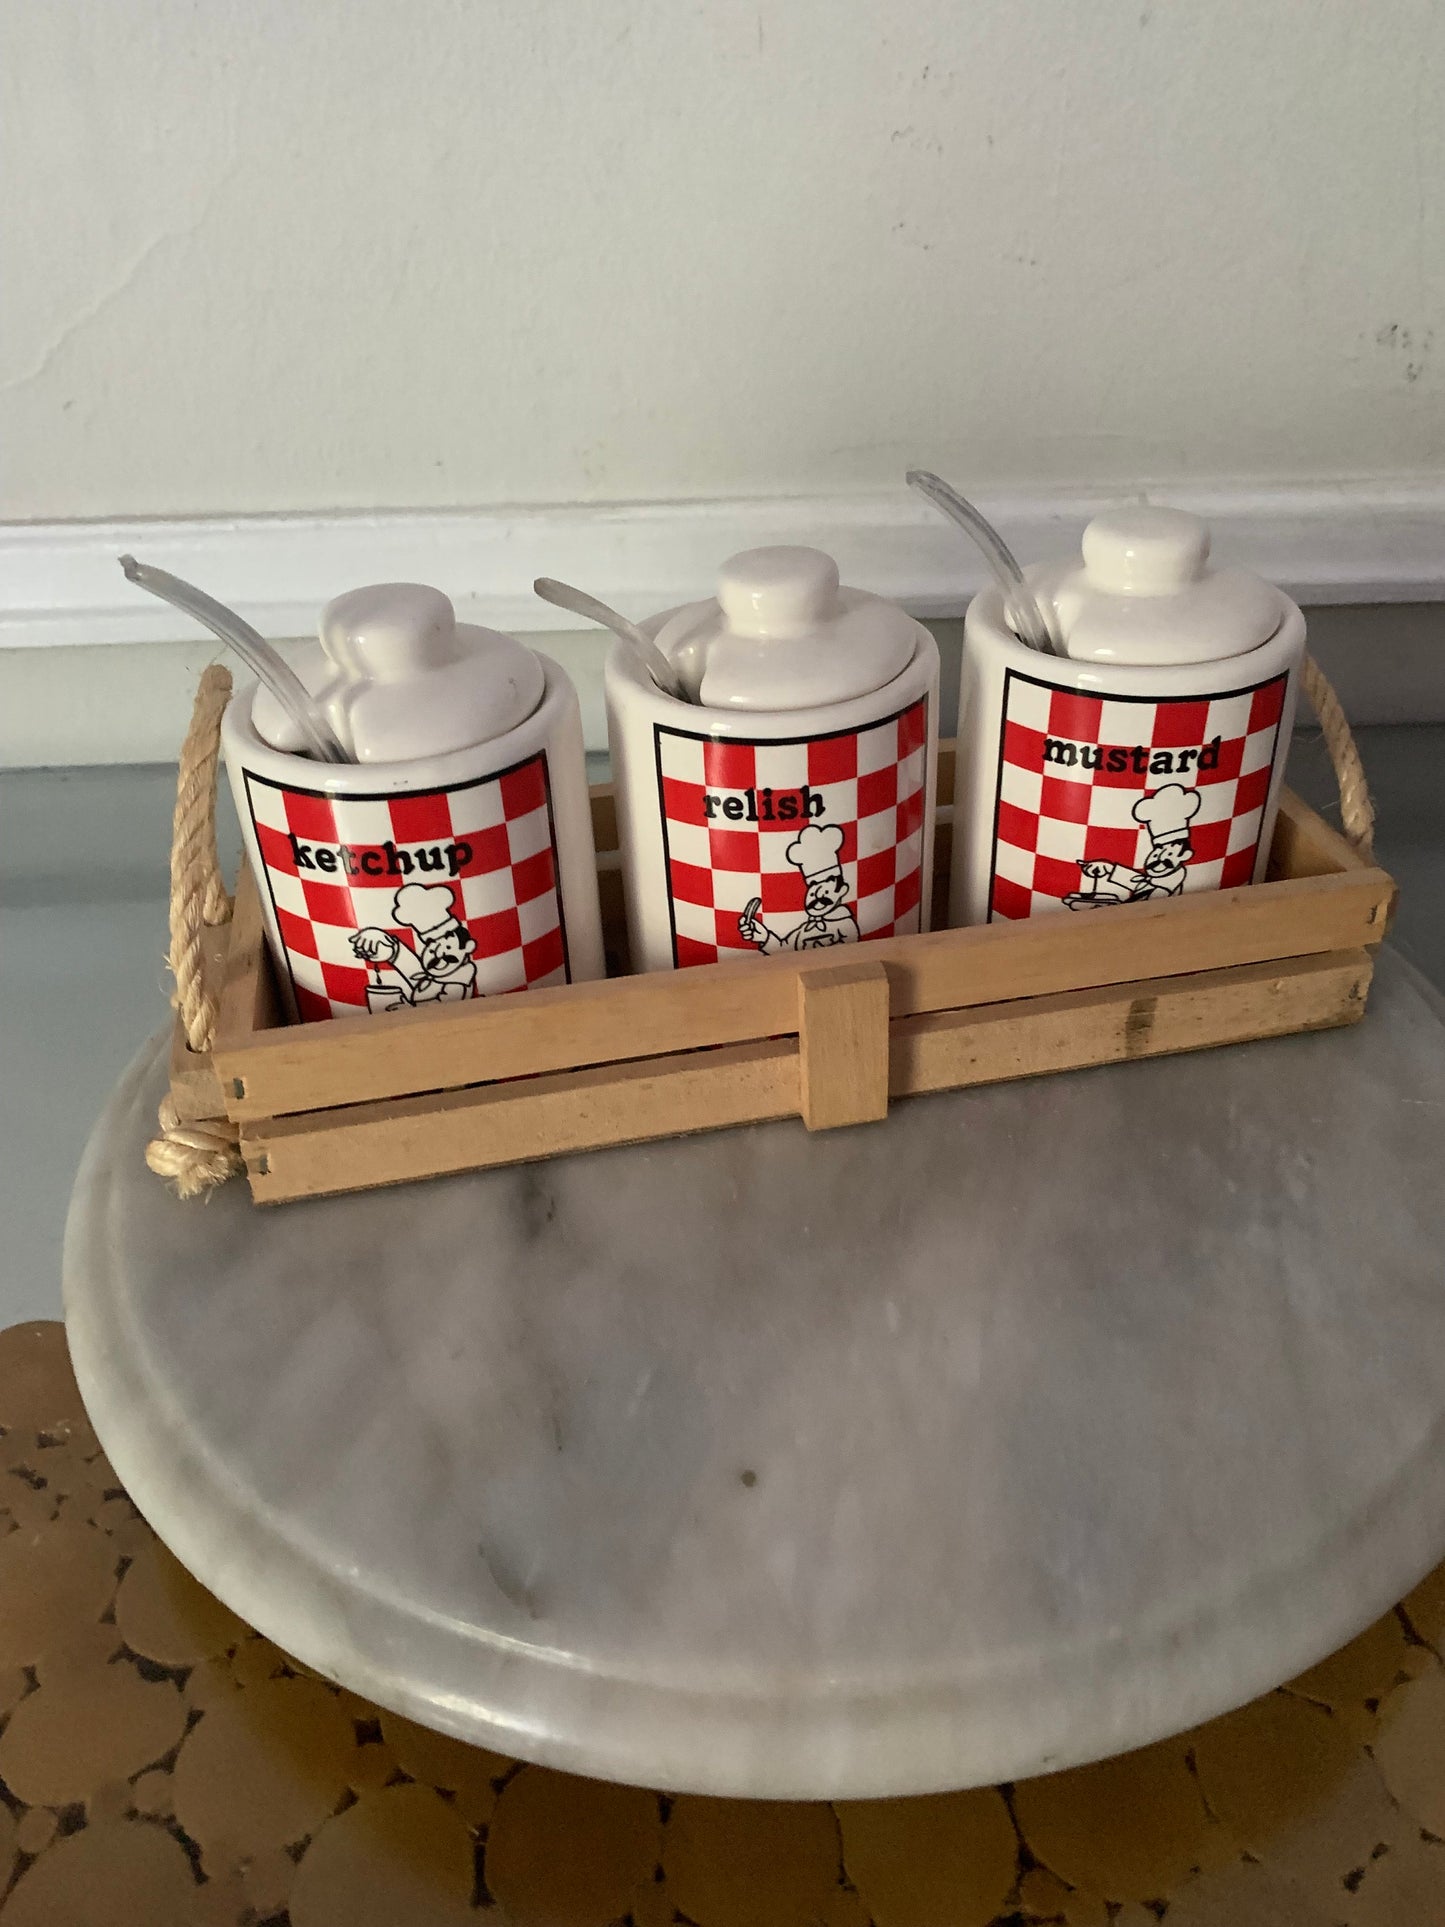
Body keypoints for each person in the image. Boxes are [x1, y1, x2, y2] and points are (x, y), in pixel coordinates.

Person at [351, 882, 478, 1008]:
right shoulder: (435, 979)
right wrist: (390, 950)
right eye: (432, 949)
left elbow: (442, 1013)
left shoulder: (456, 984)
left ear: (468, 947)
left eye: (448, 947)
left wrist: (404, 1009)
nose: (438, 953)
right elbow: (414, 972)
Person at [738, 822, 860, 953]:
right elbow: (783, 948)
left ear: (842, 890)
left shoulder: (845, 924)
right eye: (812, 892)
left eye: (825, 891)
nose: (817, 898)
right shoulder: (803, 931)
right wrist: (764, 937)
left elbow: (854, 953)